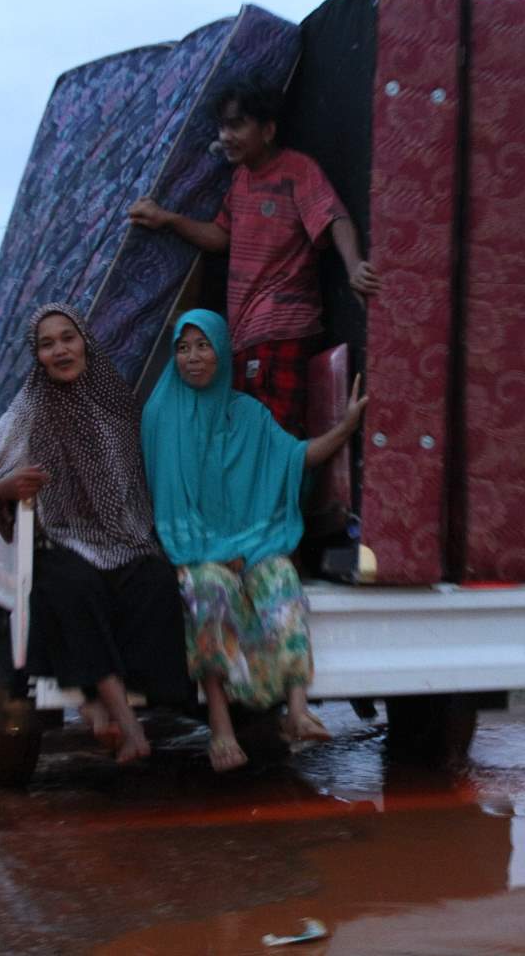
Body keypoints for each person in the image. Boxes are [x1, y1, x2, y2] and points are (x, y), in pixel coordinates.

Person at [141, 308, 366, 771]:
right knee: (210, 591)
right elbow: (167, 501)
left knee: (281, 579)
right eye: (183, 348)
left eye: (203, 346)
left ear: (222, 351)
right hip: (194, 551)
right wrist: (209, 556)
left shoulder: (248, 414)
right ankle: (220, 725)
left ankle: (297, 710)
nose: (193, 357)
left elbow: (296, 459)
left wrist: (345, 427)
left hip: (251, 545)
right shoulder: (161, 413)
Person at [0, 303, 190, 765]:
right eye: (46, 344)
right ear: (37, 356)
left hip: (126, 536)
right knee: (74, 589)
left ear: (85, 341)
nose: (60, 350)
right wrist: (6, 487)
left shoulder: (118, 404)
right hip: (61, 538)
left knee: (155, 583)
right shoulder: (25, 412)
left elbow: (144, 475)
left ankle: (97, 702)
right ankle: (128, 726)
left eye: (67, 338)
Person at [128, 80, 382, 437]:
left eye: (236, 125)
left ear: (268, 130)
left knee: (275, 440)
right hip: (244, 336)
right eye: (222, 127)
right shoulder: (241, 181)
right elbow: (220, 237)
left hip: (284, 329)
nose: (225, 135)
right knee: (250, 440)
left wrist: (355, 265)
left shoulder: (296, 169)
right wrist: (168, 219)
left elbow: (333, 215)